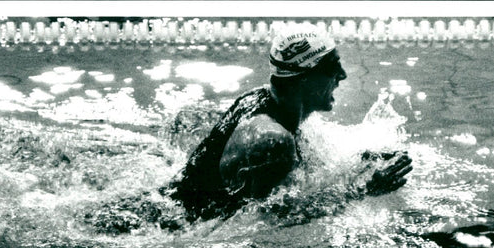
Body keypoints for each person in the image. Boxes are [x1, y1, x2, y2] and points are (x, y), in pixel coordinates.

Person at [162, 25, 413, 222]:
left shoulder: (267, 101)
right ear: (305, 78)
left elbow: (305, 175)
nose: (343, 76)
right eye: (333, 67)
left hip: (170, 206)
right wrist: (362, 190)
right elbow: (265, 220)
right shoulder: (273, 139)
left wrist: (359, 164)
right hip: (176, 227)